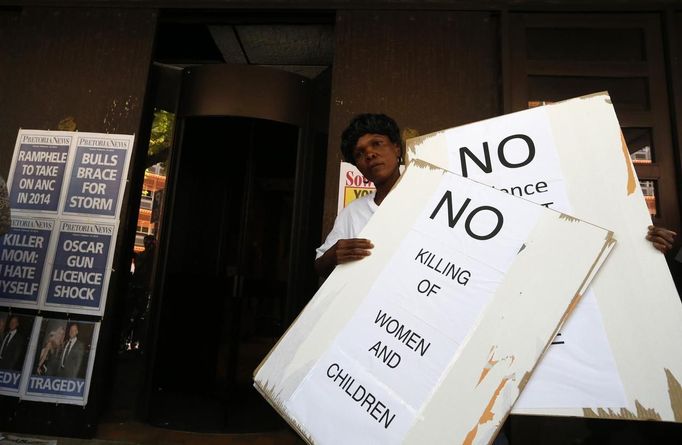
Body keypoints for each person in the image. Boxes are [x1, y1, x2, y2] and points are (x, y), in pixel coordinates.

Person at [315, 113, 403, 277]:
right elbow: (320, 266)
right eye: (359, 154)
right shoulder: (353, 212)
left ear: (397, 148)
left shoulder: (431, 196)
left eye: (377, 143)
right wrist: (334, 255)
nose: (369, 154)